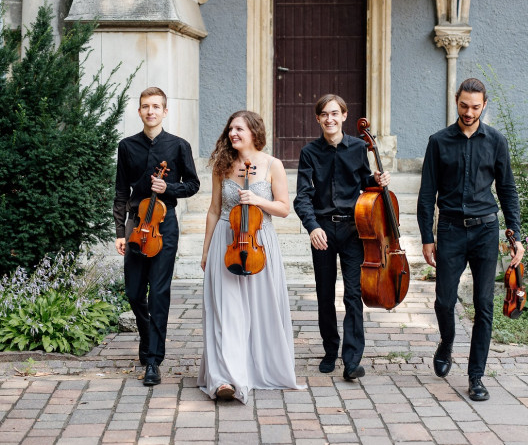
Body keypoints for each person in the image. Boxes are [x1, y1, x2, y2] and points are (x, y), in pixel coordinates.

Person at [417, 77, 523, 401]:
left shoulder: (496, 141)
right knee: (444, 301)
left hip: (486, 231)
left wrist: (516, 235)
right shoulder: (438, 141)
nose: (469, 111)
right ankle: (447, 343)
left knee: (484, 305)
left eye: (475, 107)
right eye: (464, 105)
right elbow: (426, 194)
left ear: (484, 105)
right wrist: (426, 237)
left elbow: (507, 190)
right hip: (449, 229)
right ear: (456, 101)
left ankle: (476, 375)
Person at [198, 110, 303, 403]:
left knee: (260, 310)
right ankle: (224, 380)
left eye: (239, 129)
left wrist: (257, 200)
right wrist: (206, 250)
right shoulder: (222, 165)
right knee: (226, 311)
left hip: (259, 242)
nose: (233, 134)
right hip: (226, 240)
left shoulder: (273, 165)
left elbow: (283, 208)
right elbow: (214, 210)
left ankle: (256, 368)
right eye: (230, 129)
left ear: (254, 132)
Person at [294, 94, 390, 381]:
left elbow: (364, 183)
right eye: (324, 114)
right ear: (318, 119)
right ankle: (329, 350)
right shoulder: (309, 152)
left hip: (354, 230)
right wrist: (312, 227)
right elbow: (302, 196)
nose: (330, 118)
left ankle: (351, 360)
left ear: (344, 115)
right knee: (324, 294)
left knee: (353, 294)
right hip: (323, 229)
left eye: (335, 113)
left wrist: (377, 181)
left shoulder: (360, 147)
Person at [114, 87, 200, 387]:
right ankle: (148, 337)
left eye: (156, 107)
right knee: (135, 293)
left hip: (165, 227)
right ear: (139, 112)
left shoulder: (178, 146)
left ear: (165, 111)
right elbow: (121, 192)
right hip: (136, 227)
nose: (150, 111)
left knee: (159, 293)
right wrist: (119, 231)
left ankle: (153, 360)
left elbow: (192, 184)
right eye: (145, 107)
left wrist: (170, 189)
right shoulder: (127, 147)